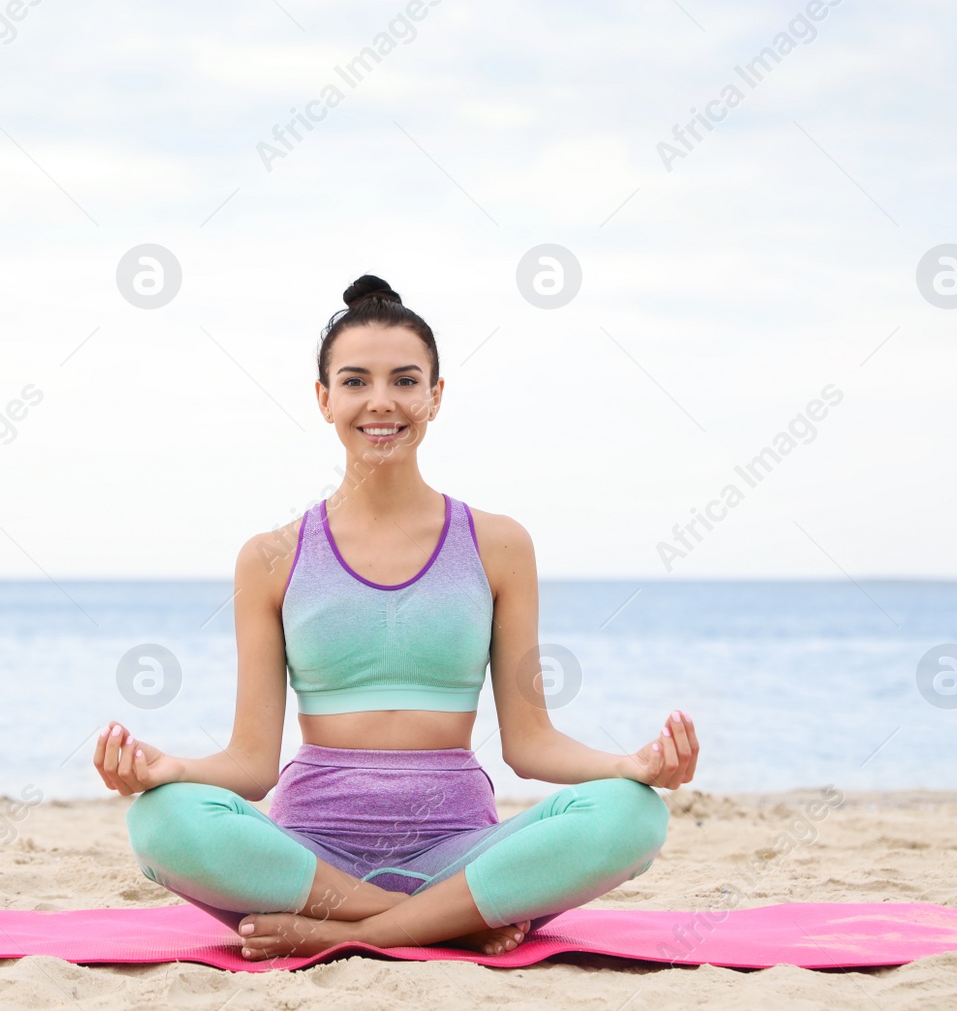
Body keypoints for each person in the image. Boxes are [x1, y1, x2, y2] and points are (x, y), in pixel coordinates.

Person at [94, 274, 699, 961]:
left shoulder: (498, 545)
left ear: (435, 396)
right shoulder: (271, 556)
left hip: (460, 853)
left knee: (632, 812)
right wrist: (168, 766)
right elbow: (252, 763)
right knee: (162, 819)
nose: (381, 402)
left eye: (405, 381)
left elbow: (530, 744)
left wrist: (632, 762)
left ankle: (364, 929)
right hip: (310, 864)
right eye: (355, 381)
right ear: (324, 400)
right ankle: (431, 921)